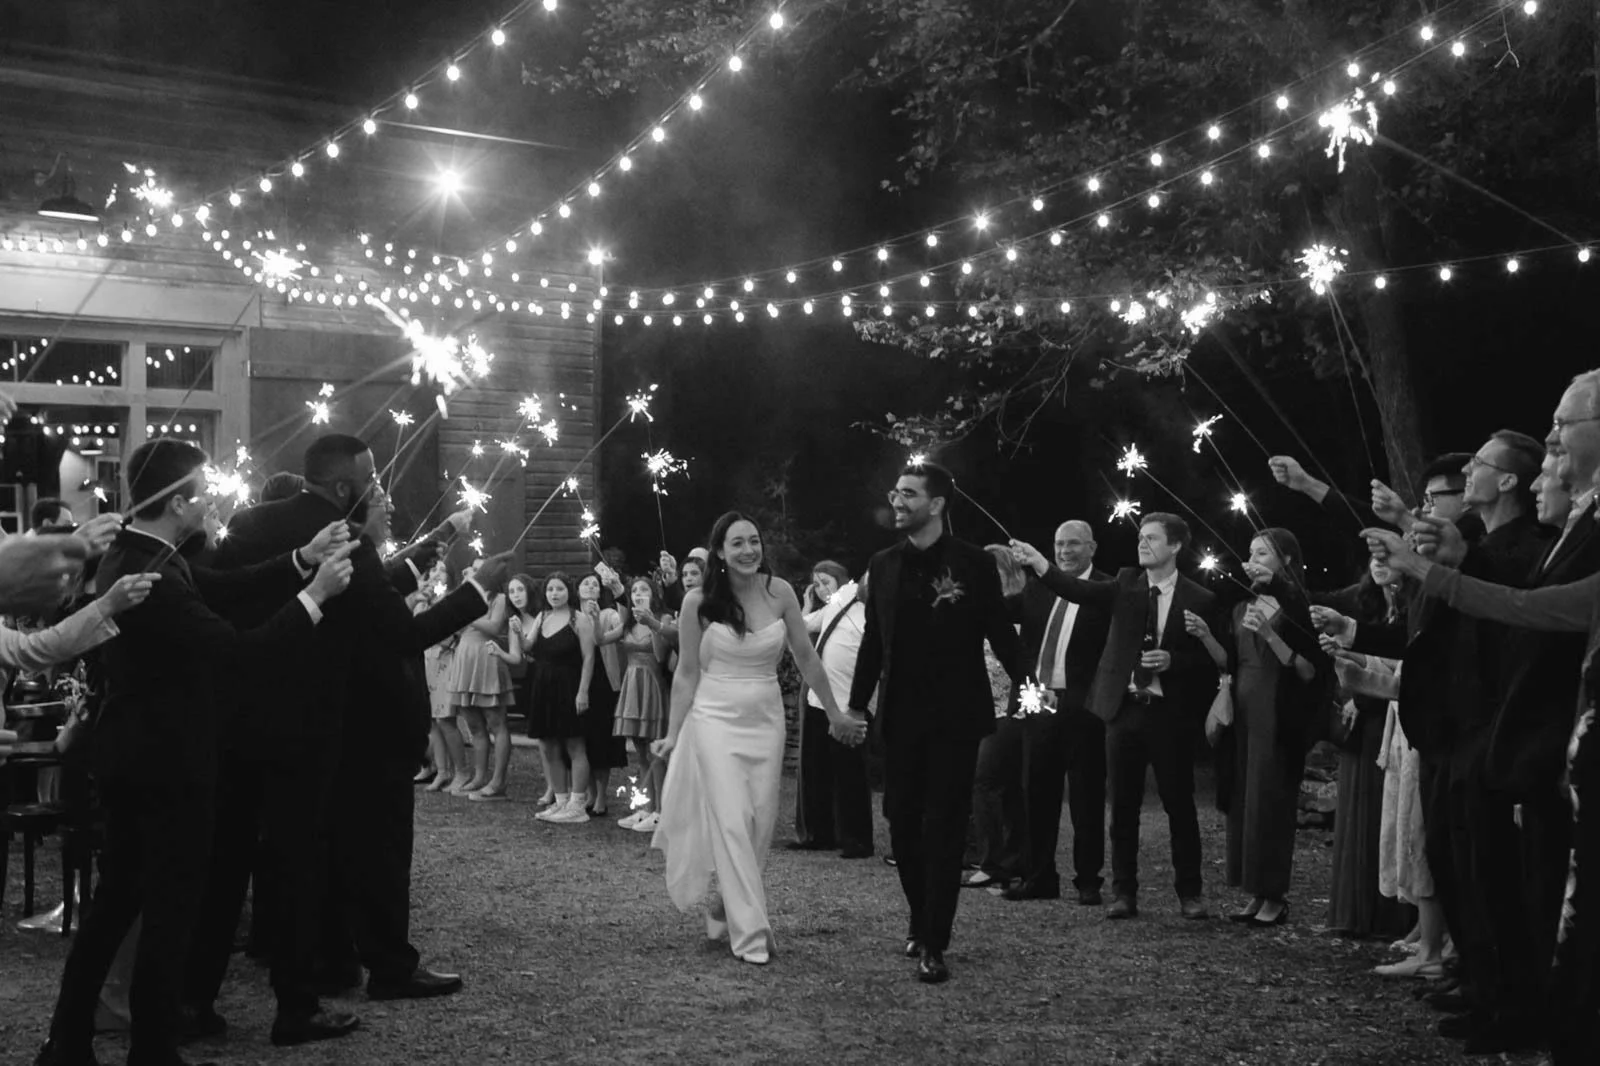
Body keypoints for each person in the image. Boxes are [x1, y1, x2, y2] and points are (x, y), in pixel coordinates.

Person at [36, 437, 353, 1066]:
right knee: (169, 908)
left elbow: (219, 584)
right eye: (201, 492)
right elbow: (237, 649)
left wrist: (298, 558)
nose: (211, 500)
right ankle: (150, 1049)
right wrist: (316, 595)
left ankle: (69, 1040)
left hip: (132, 752)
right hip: (167, 763)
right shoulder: (148, 574)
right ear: (177, 501)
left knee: (119, 902)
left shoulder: (142, 551)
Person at [183, 433, 490, 1048]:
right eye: (372, 478)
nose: (380, 487)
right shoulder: (346, 540)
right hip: (308, 727)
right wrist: (477, 596)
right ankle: (297, 1008)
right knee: (297, 864)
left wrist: (434, 539)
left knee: (224, 867)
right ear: (345, 486)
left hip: (239, 719)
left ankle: (193, 1004)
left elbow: (230, 588)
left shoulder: (250, 521)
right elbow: (398, 633)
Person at [652, 512, 865, 966]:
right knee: (731, 819)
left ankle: (726, 906)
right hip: (713, 719)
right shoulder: (698, 602)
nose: (748, 550)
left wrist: (834, 713)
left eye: (754, 541)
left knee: (759, 824)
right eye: (737, 543)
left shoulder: (781, 591)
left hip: (766, 719)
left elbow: (807, 658)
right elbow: (687, 673)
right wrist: (672, 735)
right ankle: (752, 935)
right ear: (720, 552)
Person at [315, 486, 494, 1004]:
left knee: (347, 850)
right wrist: (478, 589)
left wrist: (446, 533)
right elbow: (406, 633)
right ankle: (391, 967)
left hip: (352, 731)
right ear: (352, 502)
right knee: (383, 854)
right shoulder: (353, 555)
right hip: (373, 734)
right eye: (378, 496)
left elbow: (393, 576)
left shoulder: (358, 556)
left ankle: (338, 958)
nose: (391, 504)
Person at [849, 462, 1022, 984]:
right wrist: (856, 707)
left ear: (937, 503)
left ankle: (935, 940)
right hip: (900, 717)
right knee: (902, 824)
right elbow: (873, 640)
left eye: (908, 493)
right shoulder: (882, 564)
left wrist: (1033, 685)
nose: (896, 500)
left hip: (955, 718)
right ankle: (919, 916)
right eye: (894, 491)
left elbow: (999, 631)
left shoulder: (972, 563)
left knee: (944, 828)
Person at [1010, 512, 1219, 922]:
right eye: (1140, 537)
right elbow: (1072, 588)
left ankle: (1189, 893)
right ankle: (1124, 892)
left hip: (1169, 715)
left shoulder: (1200, 599)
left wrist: (1174, 660)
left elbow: (1213, 663)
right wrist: (1039, 563)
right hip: (1122, 711)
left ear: (1175, 546)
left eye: (1152, 538)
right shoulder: (1124, 585)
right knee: (1122, 807)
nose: (1142, 544)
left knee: (1180, 805)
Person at [1184, 529, 1327, 927]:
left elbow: (1309, 669)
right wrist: (1205, 635)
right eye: (1250, 552)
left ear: (1285, 561)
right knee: (1244, 799)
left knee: (1271, 800)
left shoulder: (1297, 607)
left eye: (1263, 553)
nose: (1253, 560)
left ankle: (1275, 896)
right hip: (1243, 710)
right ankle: (1254, 891)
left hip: (1276, 713)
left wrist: (1269, 635)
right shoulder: (1241, 605)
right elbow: (1228, 662)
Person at [999, 520, 1113, 905]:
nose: (1065, 551)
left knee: (1086, 792)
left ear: (1092, 547)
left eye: (1073, 544)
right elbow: (1002, 612)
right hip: (1037, 696)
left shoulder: (1105, 588)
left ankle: (1088, 880)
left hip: (1082, 702)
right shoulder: (1037, 588)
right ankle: (1039, 875)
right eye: (1059, 544)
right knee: (1037, 788)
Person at [1318, 557, 1414, 941]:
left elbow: (1404, 666)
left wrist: (1363, 687)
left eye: (1386, 554)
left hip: (1389, 716)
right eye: (1372, 555)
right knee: (1363, 814)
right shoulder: (1369, 606)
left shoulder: (1410, 610)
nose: (1377, 562)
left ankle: (1393, 917)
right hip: (1367, 716)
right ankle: (1360, 910)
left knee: (1390, 816)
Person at [790, 562, 875, 858]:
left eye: (826, 581)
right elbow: (803, 624)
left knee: (850, 773)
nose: (822, 588)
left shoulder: (866, 604)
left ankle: (858, 839)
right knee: (817, 770)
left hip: (849, 704)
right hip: (819, 700)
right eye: (817, 583)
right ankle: (820, 833)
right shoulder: (835, 603)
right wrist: (805, 601)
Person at [963, 546, 1028, 891]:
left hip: (1012, 709)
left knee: (986, 781)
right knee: (1002, 786)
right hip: (981, 707)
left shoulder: (1020, 606)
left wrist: (1028, 710)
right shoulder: (977, 606)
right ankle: (1009, 859)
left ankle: (994, 862)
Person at [512, 572, 596, 824]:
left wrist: (583, 691)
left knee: (574, 744)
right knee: (548, 744)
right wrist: (517, 632)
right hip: (543, 685)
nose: (554, 594)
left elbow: (589, 657)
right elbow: (528, 647)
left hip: (569, 685)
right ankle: (560, 801)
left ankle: (577, 804)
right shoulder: (542, 616)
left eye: (559, 589)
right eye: (550, 589)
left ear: (568, 591)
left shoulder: (578, 619)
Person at [450, 559, 514, 800]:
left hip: (486, 659)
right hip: (464, 660)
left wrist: (466, 615)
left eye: (477, 568)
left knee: (496, 722)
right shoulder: (466, 598)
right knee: (474, 724)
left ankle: (498, 781)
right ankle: (479, 776)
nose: (472, 571)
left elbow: (494, 626)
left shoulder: (499, 599)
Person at [615, 576, 671, 832]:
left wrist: (651, 622)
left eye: (644, 589)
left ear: (654, 593)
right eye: (634, 590)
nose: (638, 593)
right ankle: (647, 807)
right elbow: (600, 638)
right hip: (632, 686)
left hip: (652, 687)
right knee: (640, 752)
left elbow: (660, 656)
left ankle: (662, 811)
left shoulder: (662, 619)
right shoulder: (627, 623)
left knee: (655, 751)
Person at [577, 567, 630, 816]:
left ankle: (601, 794)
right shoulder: (573, 616)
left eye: (595, 584)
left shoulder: (609, 614)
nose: (591, 587)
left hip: (605, 683)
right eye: (586, 583)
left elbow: (623, 623)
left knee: (601, 740)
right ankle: (588, 792)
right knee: (582, 739)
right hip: (578, 682)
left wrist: (617, 589)